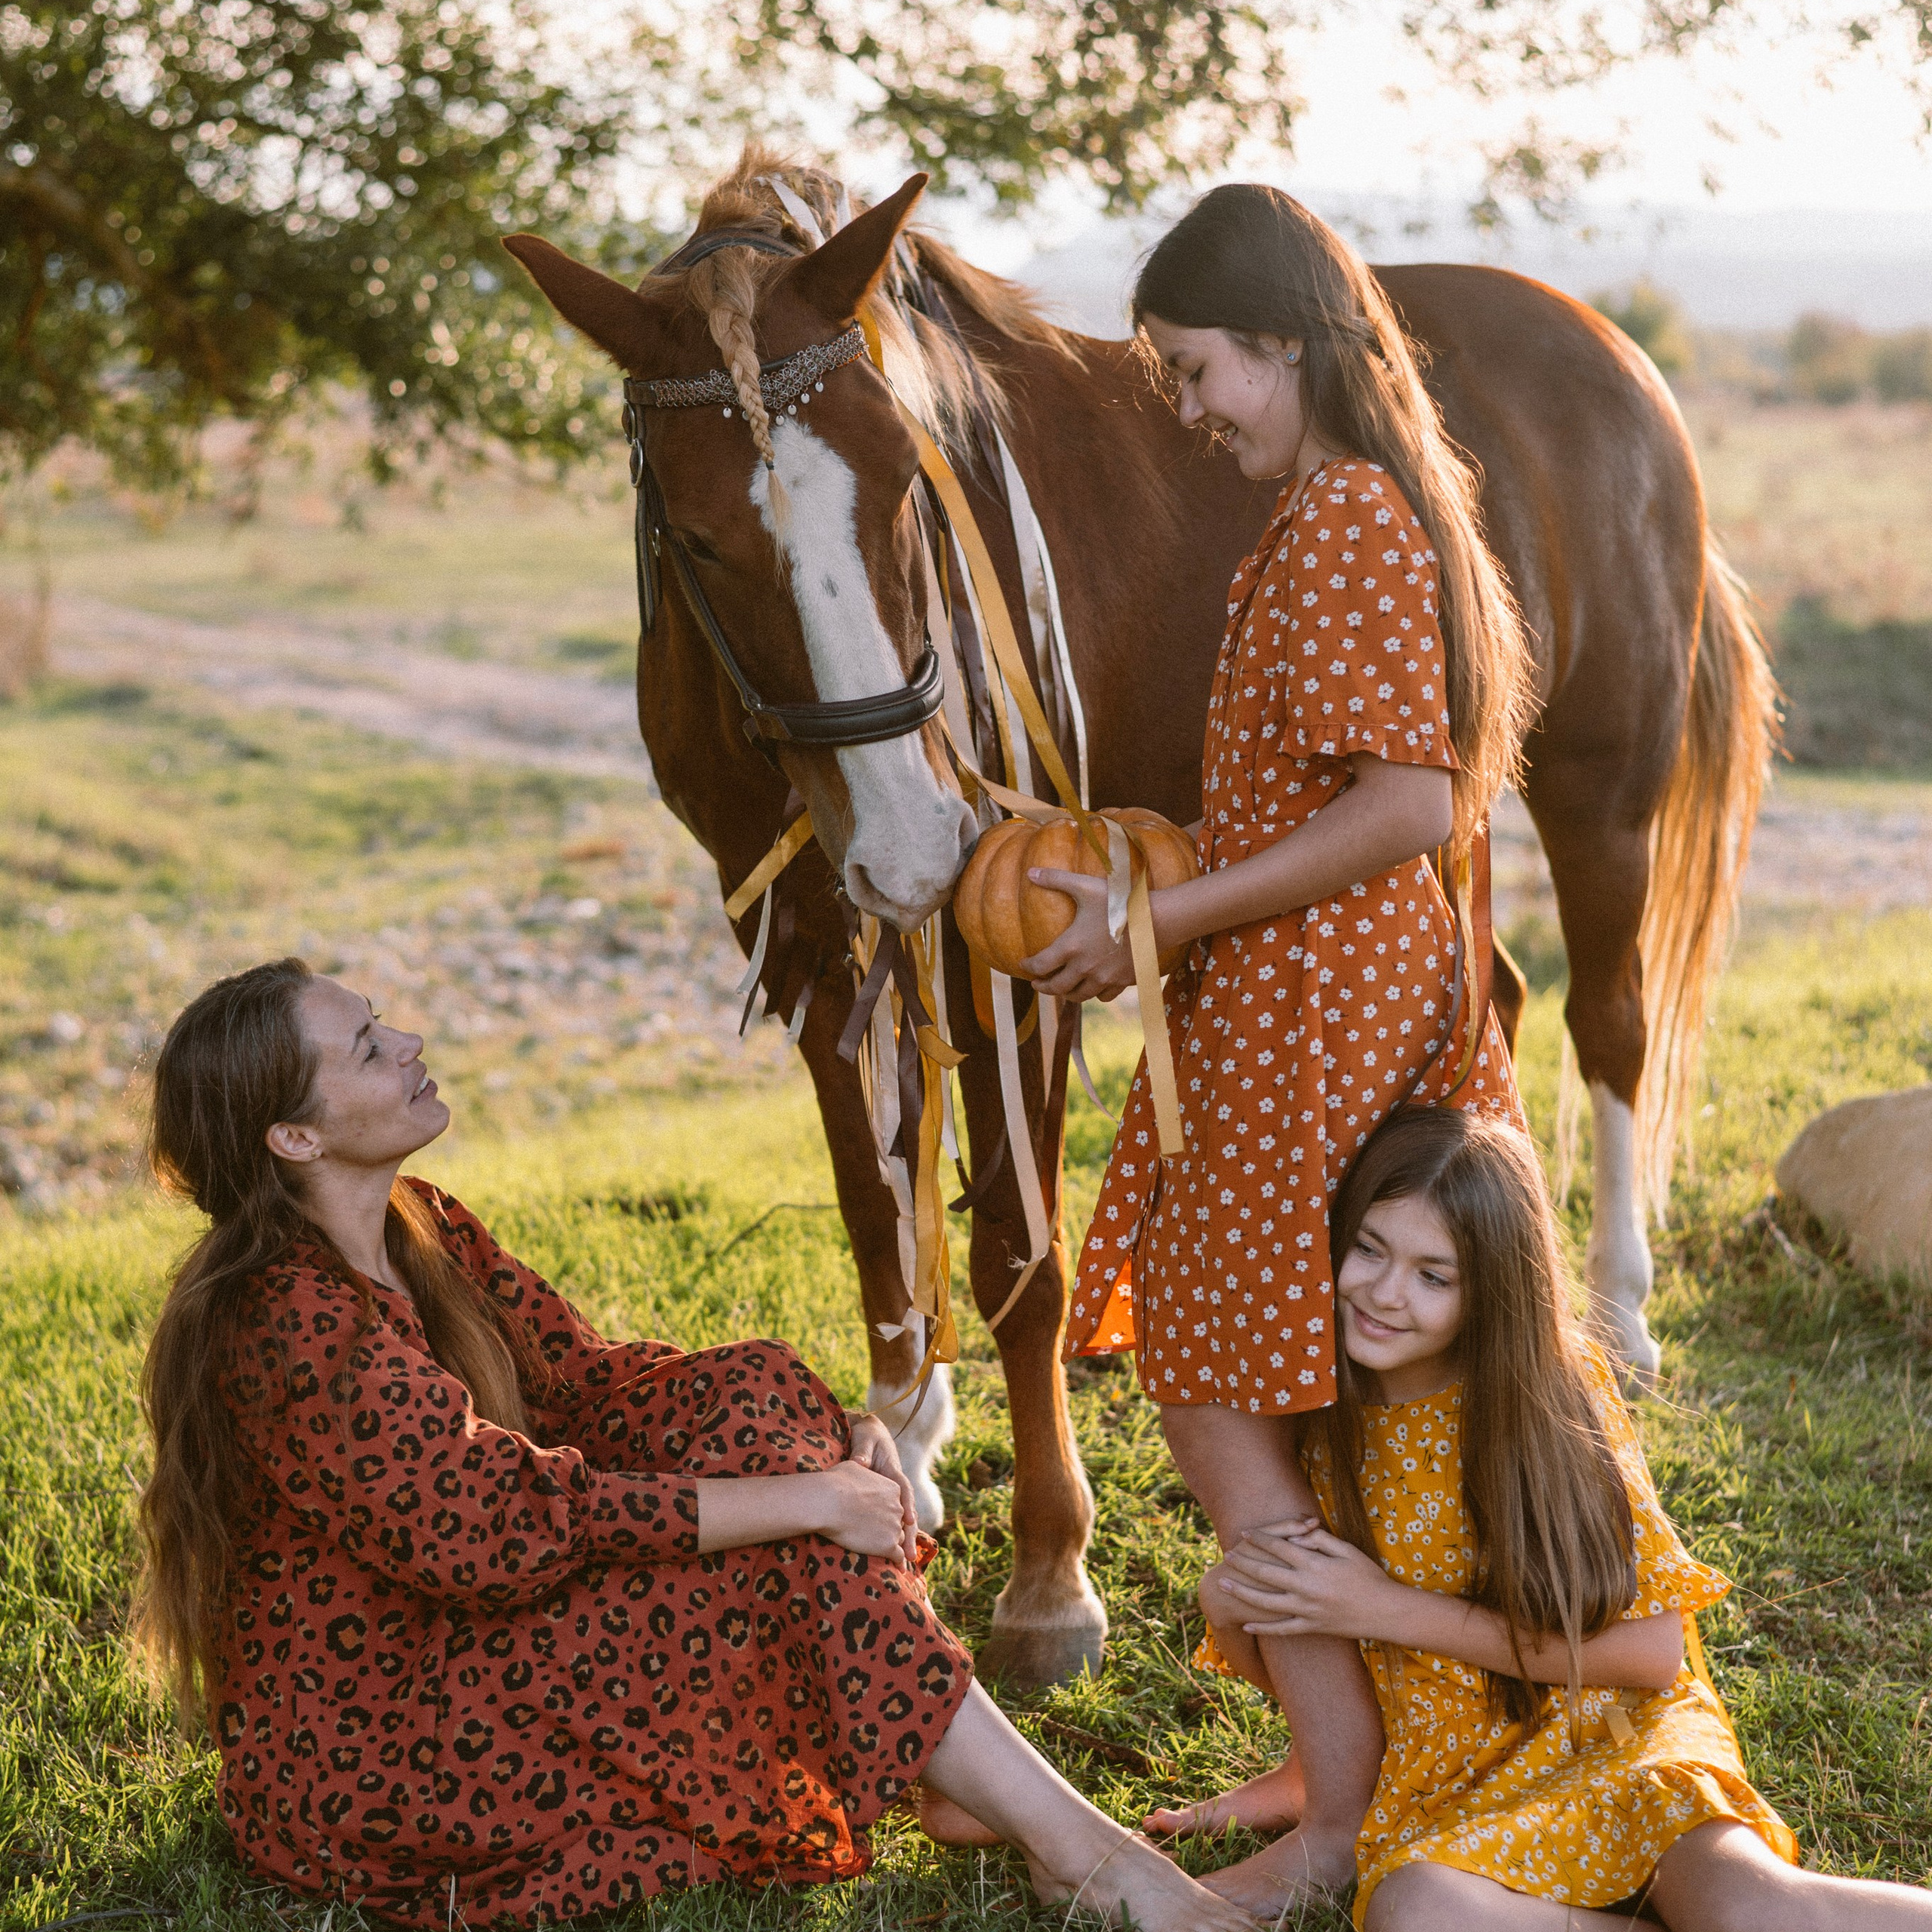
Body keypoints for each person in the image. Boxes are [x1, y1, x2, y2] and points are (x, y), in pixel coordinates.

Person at [130, 957, 1247, 1931]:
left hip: (468, 1640)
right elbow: (492, 1529)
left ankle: (984, 1792)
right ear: (295, 1134)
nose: (410, 1044)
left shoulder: (422, 1222)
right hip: (383, 1742)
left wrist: (826, 1428)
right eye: (370, 1047)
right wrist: (808, 1500)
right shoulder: (284, 1320)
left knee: (753, 1401)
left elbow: (594, 1385)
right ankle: (1085, 1856)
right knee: (778, 1551)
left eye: (387, 1023)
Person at [1017, 182, 1536, 1908]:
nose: (1178, 410)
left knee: (1218, 1391)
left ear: (1283, 345)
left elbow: (1399, 803)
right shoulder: (1369, 507)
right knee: (1271, 1390)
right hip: (1303, 987)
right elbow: (1328, 787)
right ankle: (1340, 1763)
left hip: (1311, 1009)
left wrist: (1166, 917)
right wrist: (1157, 866)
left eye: (1190, 370)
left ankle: (1337, 1818)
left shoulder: (1344, 519)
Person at [1195, 1104, 1932, 1930]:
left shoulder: (1546, 1399)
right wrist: (1232, 1613)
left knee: (1749, 1905)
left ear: (1492, 1290)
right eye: (1368, 1248)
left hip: (1611, 1739)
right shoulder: (1319, 1418)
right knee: (1415, 1911)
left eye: (1433, 1275)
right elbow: (1330, 1663)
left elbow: (1650, 1653)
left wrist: (1386, 1607)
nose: (1383, 1292)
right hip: (1455, 1790)